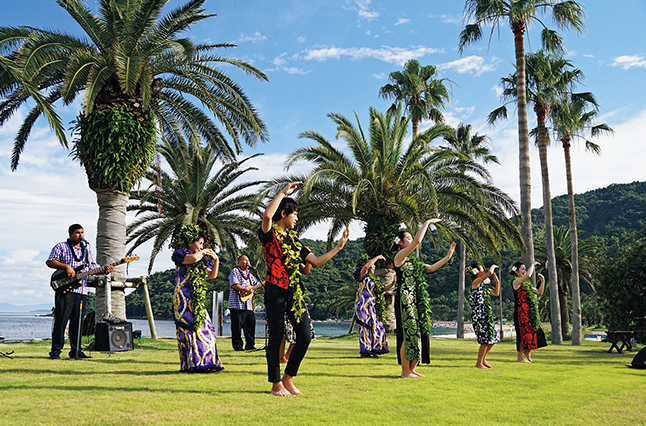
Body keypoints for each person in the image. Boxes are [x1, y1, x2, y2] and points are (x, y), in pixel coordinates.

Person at [259, 181, 349, 396]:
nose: (297, 219)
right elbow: (267, 217)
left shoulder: (295, 242)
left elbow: (316, 262)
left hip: (293, 291)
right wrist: (282, 192)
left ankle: (288, 379)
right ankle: (275, 384)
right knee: (277, 336)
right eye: (295, 214)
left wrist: (338, 248)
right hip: (274, 289)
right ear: (284, 213)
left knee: (305, 336)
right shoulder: (269, 234)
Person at [393, 220, 456, 378]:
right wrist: (427, 223)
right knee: (407, 333)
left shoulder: (414, 263)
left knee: (417, 333)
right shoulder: (399, 257)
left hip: (415, 299)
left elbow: (431, 267)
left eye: (410, 237)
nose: (411, 239)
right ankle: (405, 371)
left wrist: (448, 256)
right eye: (407, 238)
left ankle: (412, 368)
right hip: (404, 299)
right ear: (400, 243)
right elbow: (417, 241)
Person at [46, 224, 113, 359]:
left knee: (78, 323)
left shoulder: (86, 249)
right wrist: (66, 267)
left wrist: (104, 269)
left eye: (82, 232)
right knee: (61, 322)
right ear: (70, 234)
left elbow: (93, 267)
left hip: (81, 290)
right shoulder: (61, 246)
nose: (80, 235)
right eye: (77, 232)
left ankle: (76, 351)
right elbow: (50, 261)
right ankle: (55, 352)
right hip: (65, 290)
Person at [171, 224, 223, 372]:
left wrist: (216, 260)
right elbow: (192, 259)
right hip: (183, 298)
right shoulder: (181, 254)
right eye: (199, 243)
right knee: (187, 330)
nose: (201, 247)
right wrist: (204, 252)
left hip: (197, 299)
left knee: (207, 329)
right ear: (190, 242)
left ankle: (206, 362)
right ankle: (191, 363)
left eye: (203, 244)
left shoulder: (202, 260)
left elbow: (212, 275)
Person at [353, 254, 392, 358]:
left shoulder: (375, 279)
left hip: (372, 304)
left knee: (375, 325)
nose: (374, 266)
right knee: (365, 326)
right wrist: (377, 257)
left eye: (374, 265)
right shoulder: (362, 276)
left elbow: (381, 290)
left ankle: (375, 349)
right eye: (372, 265)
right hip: (363, 304)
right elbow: (366, 267)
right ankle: (365, 351)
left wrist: (393, 283)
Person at [510, 261, 546, 363]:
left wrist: (542, 282)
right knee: (521, 333)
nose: (524, 271)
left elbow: (539, 292)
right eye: (522, 269)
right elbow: (528, 275)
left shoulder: (526, 285)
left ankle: (527, 352)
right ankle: (520, 357)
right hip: (520, 313)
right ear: (516, 271)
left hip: (528, 312)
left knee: (533, 331)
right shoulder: (516, 282)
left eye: (525, 269)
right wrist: (532, 265)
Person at [467, 263, 501, 369]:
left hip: (486, 314)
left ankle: (483, 359)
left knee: (493, 338)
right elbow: (490, 273)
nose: (484, 271)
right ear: (476, 272)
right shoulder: (475, 283)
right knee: (485, 340)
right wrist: (494, 266)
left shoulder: (483, 287)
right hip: (478, 315)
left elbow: (496, 293)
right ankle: (478, 363)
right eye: (482, 269)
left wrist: (497, 282)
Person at [228, 254, 263, 351]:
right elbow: (234, 285)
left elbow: (256, 284)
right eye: (244, 260)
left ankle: (250, 345)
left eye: (248, 260)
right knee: (237, 327)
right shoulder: (235, 271)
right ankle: (238, 346)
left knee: (250, 324)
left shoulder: (249, 274)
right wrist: (246, 289)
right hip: (236, 305)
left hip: (248, 305)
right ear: (238, 262)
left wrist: (265, 282)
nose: (247, 262)